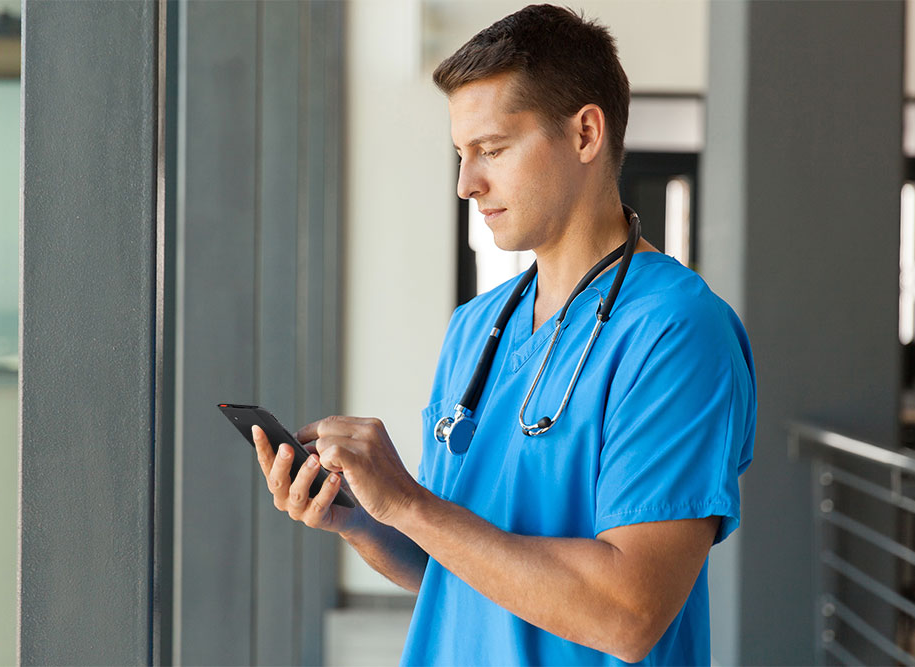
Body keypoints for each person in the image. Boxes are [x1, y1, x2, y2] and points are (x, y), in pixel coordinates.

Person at [252, 4, 756, 665]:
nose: (467, 183)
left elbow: (630, 613)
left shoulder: (676, 333)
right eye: (462, 155)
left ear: (584, 134)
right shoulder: (475, 329)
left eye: (492, 149)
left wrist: (411, 500)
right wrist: (361, 516)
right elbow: (452, 567)